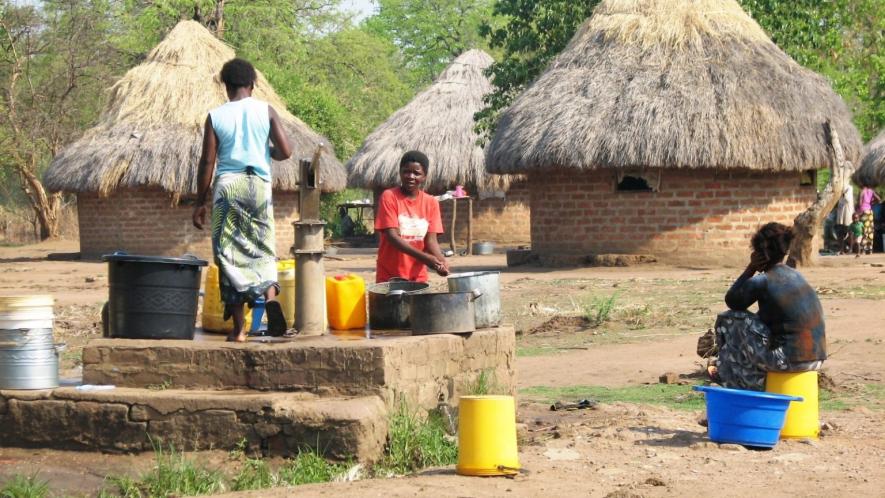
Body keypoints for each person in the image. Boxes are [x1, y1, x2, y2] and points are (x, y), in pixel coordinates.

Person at [192, 58, 293, 342]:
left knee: (228, 254)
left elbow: (207, 161)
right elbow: (286, 151)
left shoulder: (216, 115)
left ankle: (239, 329)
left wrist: (200, 201)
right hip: (258, 185)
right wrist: (266, 152)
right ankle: (270, 298)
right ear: (252, 84)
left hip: (228, 186)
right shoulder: (267, 110)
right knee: (262, 247)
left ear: (226, 86)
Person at [710, 223, 827, 391]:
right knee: (753, 322)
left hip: (788, 360)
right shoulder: (796, 276)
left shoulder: (763, 280)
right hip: (816, 358)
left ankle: (734, 376)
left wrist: (751, 268)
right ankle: (741, 372)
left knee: (729, 319)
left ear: (759, 254)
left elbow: (733, 301)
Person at [374, 151, 449, 283]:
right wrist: (425, 258)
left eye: (417, 173)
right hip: (390, 276)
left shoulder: (431, 202)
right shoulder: (389, 196)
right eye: (406, 171)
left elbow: (430, 241)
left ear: (424, 176)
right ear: (400, 172)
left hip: (417, 277)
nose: (411, 176)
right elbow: (392, 237)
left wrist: (441, 261)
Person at [857, 184, 881, 255]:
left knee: (864, 230)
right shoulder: (871, 191)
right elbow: (879, 200)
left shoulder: (862, 191)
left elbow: (859, 202)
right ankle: (870, 249)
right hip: (870, 212)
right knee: (870, 230)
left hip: (864, 211)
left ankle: (863, 250)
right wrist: (871, 203)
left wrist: (859, 211)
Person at [834, 182, 854, 254]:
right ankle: (841, 249)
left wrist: (841, 192)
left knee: (850, 231)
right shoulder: (840, 188)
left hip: (848, 213)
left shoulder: (849, 188)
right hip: (841, 213)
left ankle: (850, 249)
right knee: (840, 232)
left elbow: (847, 199)